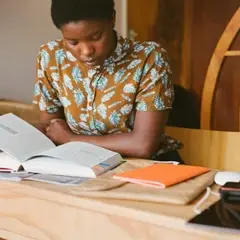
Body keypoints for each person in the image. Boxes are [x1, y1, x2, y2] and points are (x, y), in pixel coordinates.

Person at [33, 0, 183, 163]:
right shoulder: (51, 56)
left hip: (144, 166)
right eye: (73, 42)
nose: (86, 51)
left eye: (96, 37)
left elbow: (143, 146)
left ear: (112, 19)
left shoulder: (149, 59)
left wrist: (72, 139)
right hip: (80, 164)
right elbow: (52, 128)